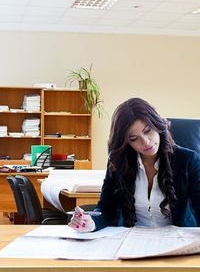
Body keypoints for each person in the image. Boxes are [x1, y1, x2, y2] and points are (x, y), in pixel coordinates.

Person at [68, 97, 200, 232]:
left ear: (157, 125)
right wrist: (90, 223)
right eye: (134, 138)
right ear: (126, 142)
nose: (146, 142)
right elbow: (106, 208)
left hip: (177, 242)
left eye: (148, 130)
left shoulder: (188, 160)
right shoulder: (118, 162)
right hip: (131, 243)